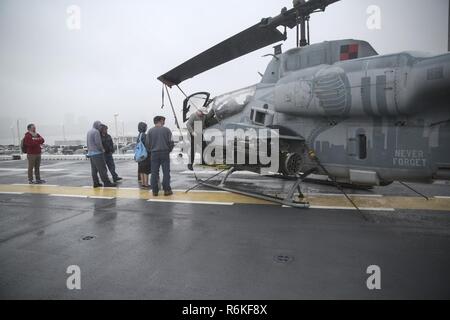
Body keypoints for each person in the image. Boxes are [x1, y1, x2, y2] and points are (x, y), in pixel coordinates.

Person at [146, 116, 174, 196]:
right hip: (165, 152)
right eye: (163, 120)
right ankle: (167, 190)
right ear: (160, 121)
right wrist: (169, 150)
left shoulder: (150, 131)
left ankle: (155, 191)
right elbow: (171, 142)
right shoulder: (167, 130)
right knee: (166, 172)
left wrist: (151, 150)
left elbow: (147, 144)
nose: (164, 122)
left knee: (154, 172)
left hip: (154, 153)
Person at [87, 121, 116, 188]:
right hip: (97, 154)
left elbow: (88, 143)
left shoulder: (89, 132)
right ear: (96, 125)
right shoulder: (96, 132)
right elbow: (98, 143)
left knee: (94, 170)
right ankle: (107, 183)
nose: (100, 127)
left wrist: (89, 152)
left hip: (91, 154)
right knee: (102, 169)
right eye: (99, 125)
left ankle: (96, 183)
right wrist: (102, 150)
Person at [137, 122, 152, 189]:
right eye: (146, 127)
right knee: (146, 170)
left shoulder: (139, 135)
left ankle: (143, 183)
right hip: (145, 155)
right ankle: (146, 184)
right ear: (144, 128)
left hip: (139, 155)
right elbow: (148, 145)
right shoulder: (145, 136)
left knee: (141, 169)